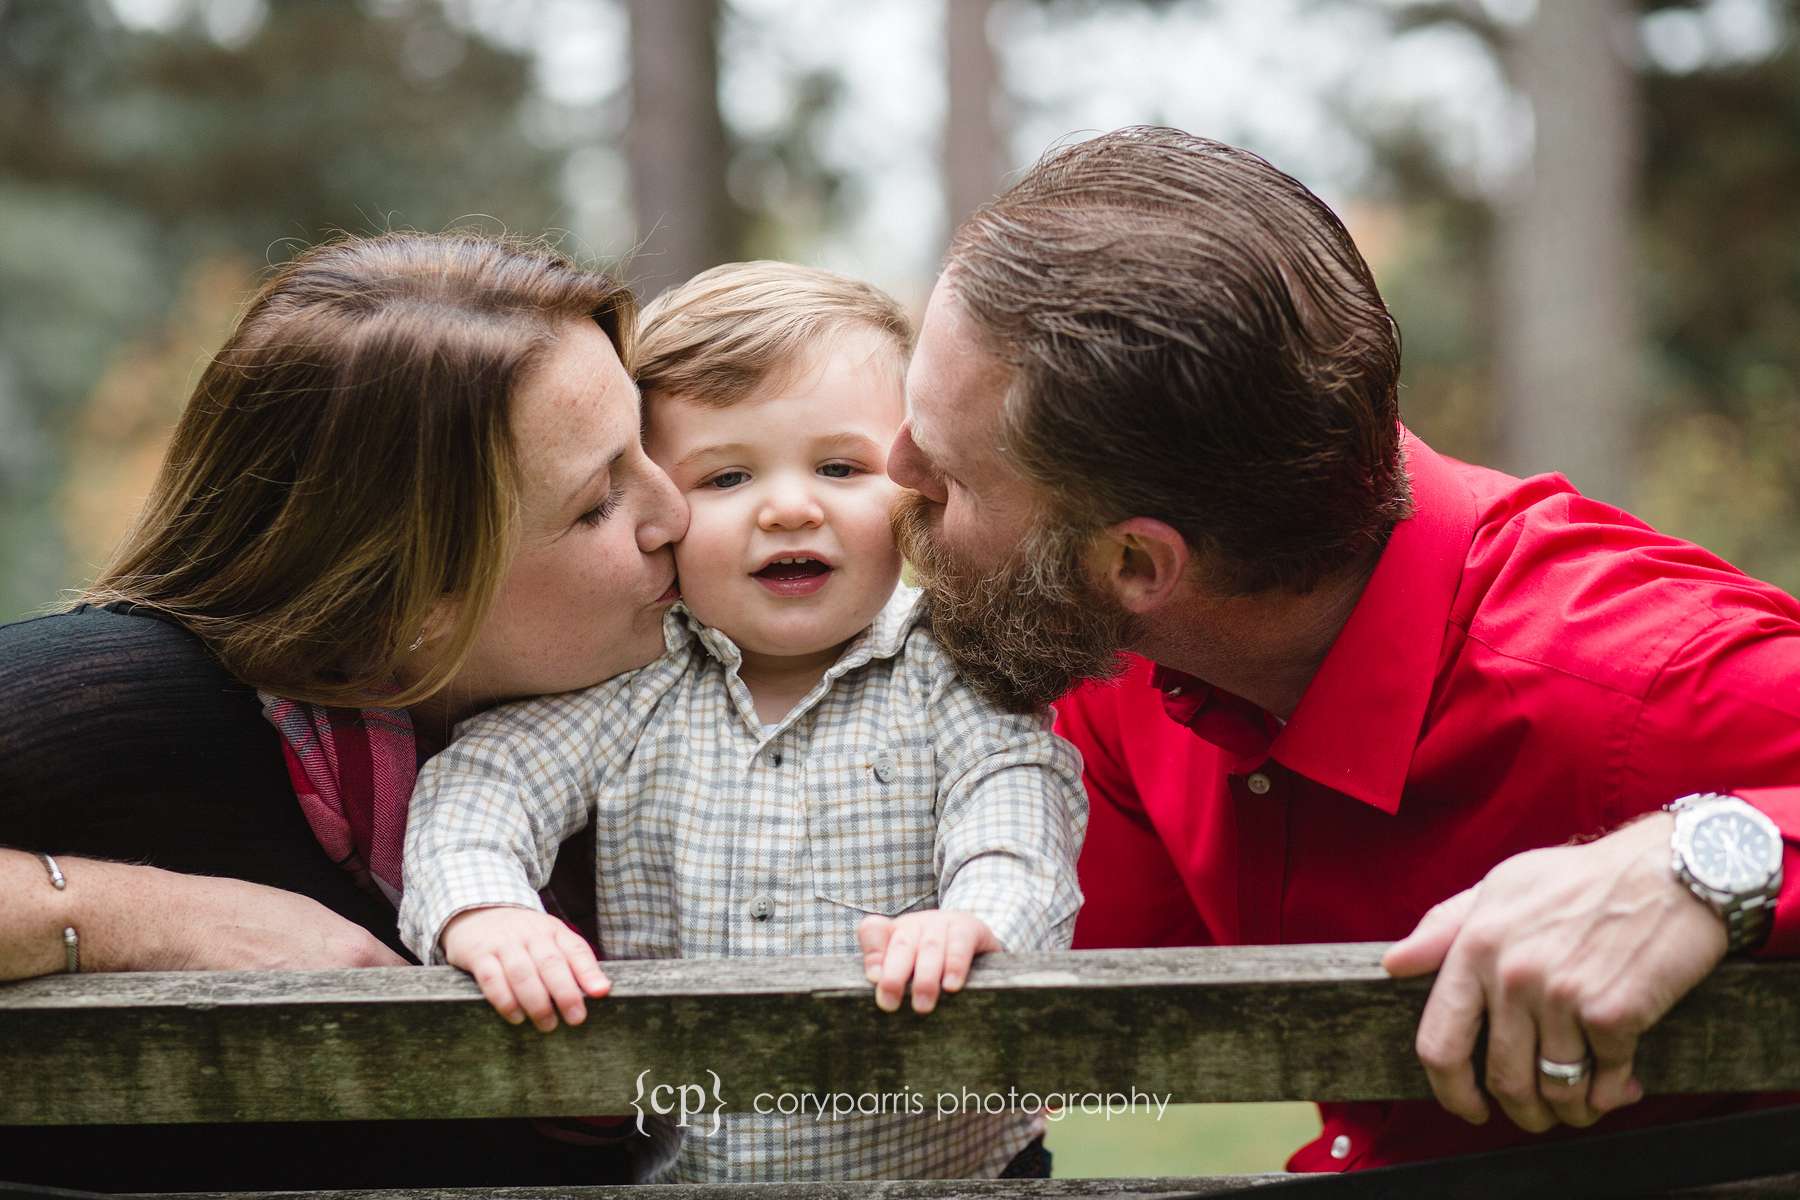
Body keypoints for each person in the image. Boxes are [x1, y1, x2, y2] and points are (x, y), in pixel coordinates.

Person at [886, 126, 1800, 1173]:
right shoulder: (1130, 661)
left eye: (946, 474)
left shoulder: (1635, 677)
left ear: (1138, 564)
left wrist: (1701, 861)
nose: (889, 465)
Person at [0, 231, 688, 1191]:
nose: (676, 513)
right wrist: (157, 921)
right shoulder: (129, 698)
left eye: (649, 446)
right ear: (406, 602)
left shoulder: (681, 714)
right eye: (597, 502)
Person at [397, 262, 1087, 1182]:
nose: (790, 506)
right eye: (726, 477)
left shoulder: (949, 672)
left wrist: (976, 921)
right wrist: (486, 910)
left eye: (841, 467)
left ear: (913, 483)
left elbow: (1018, 814)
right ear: (660, 506)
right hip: (689, 1176)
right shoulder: (633, 681)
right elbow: (486, 784)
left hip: (943, 1170)